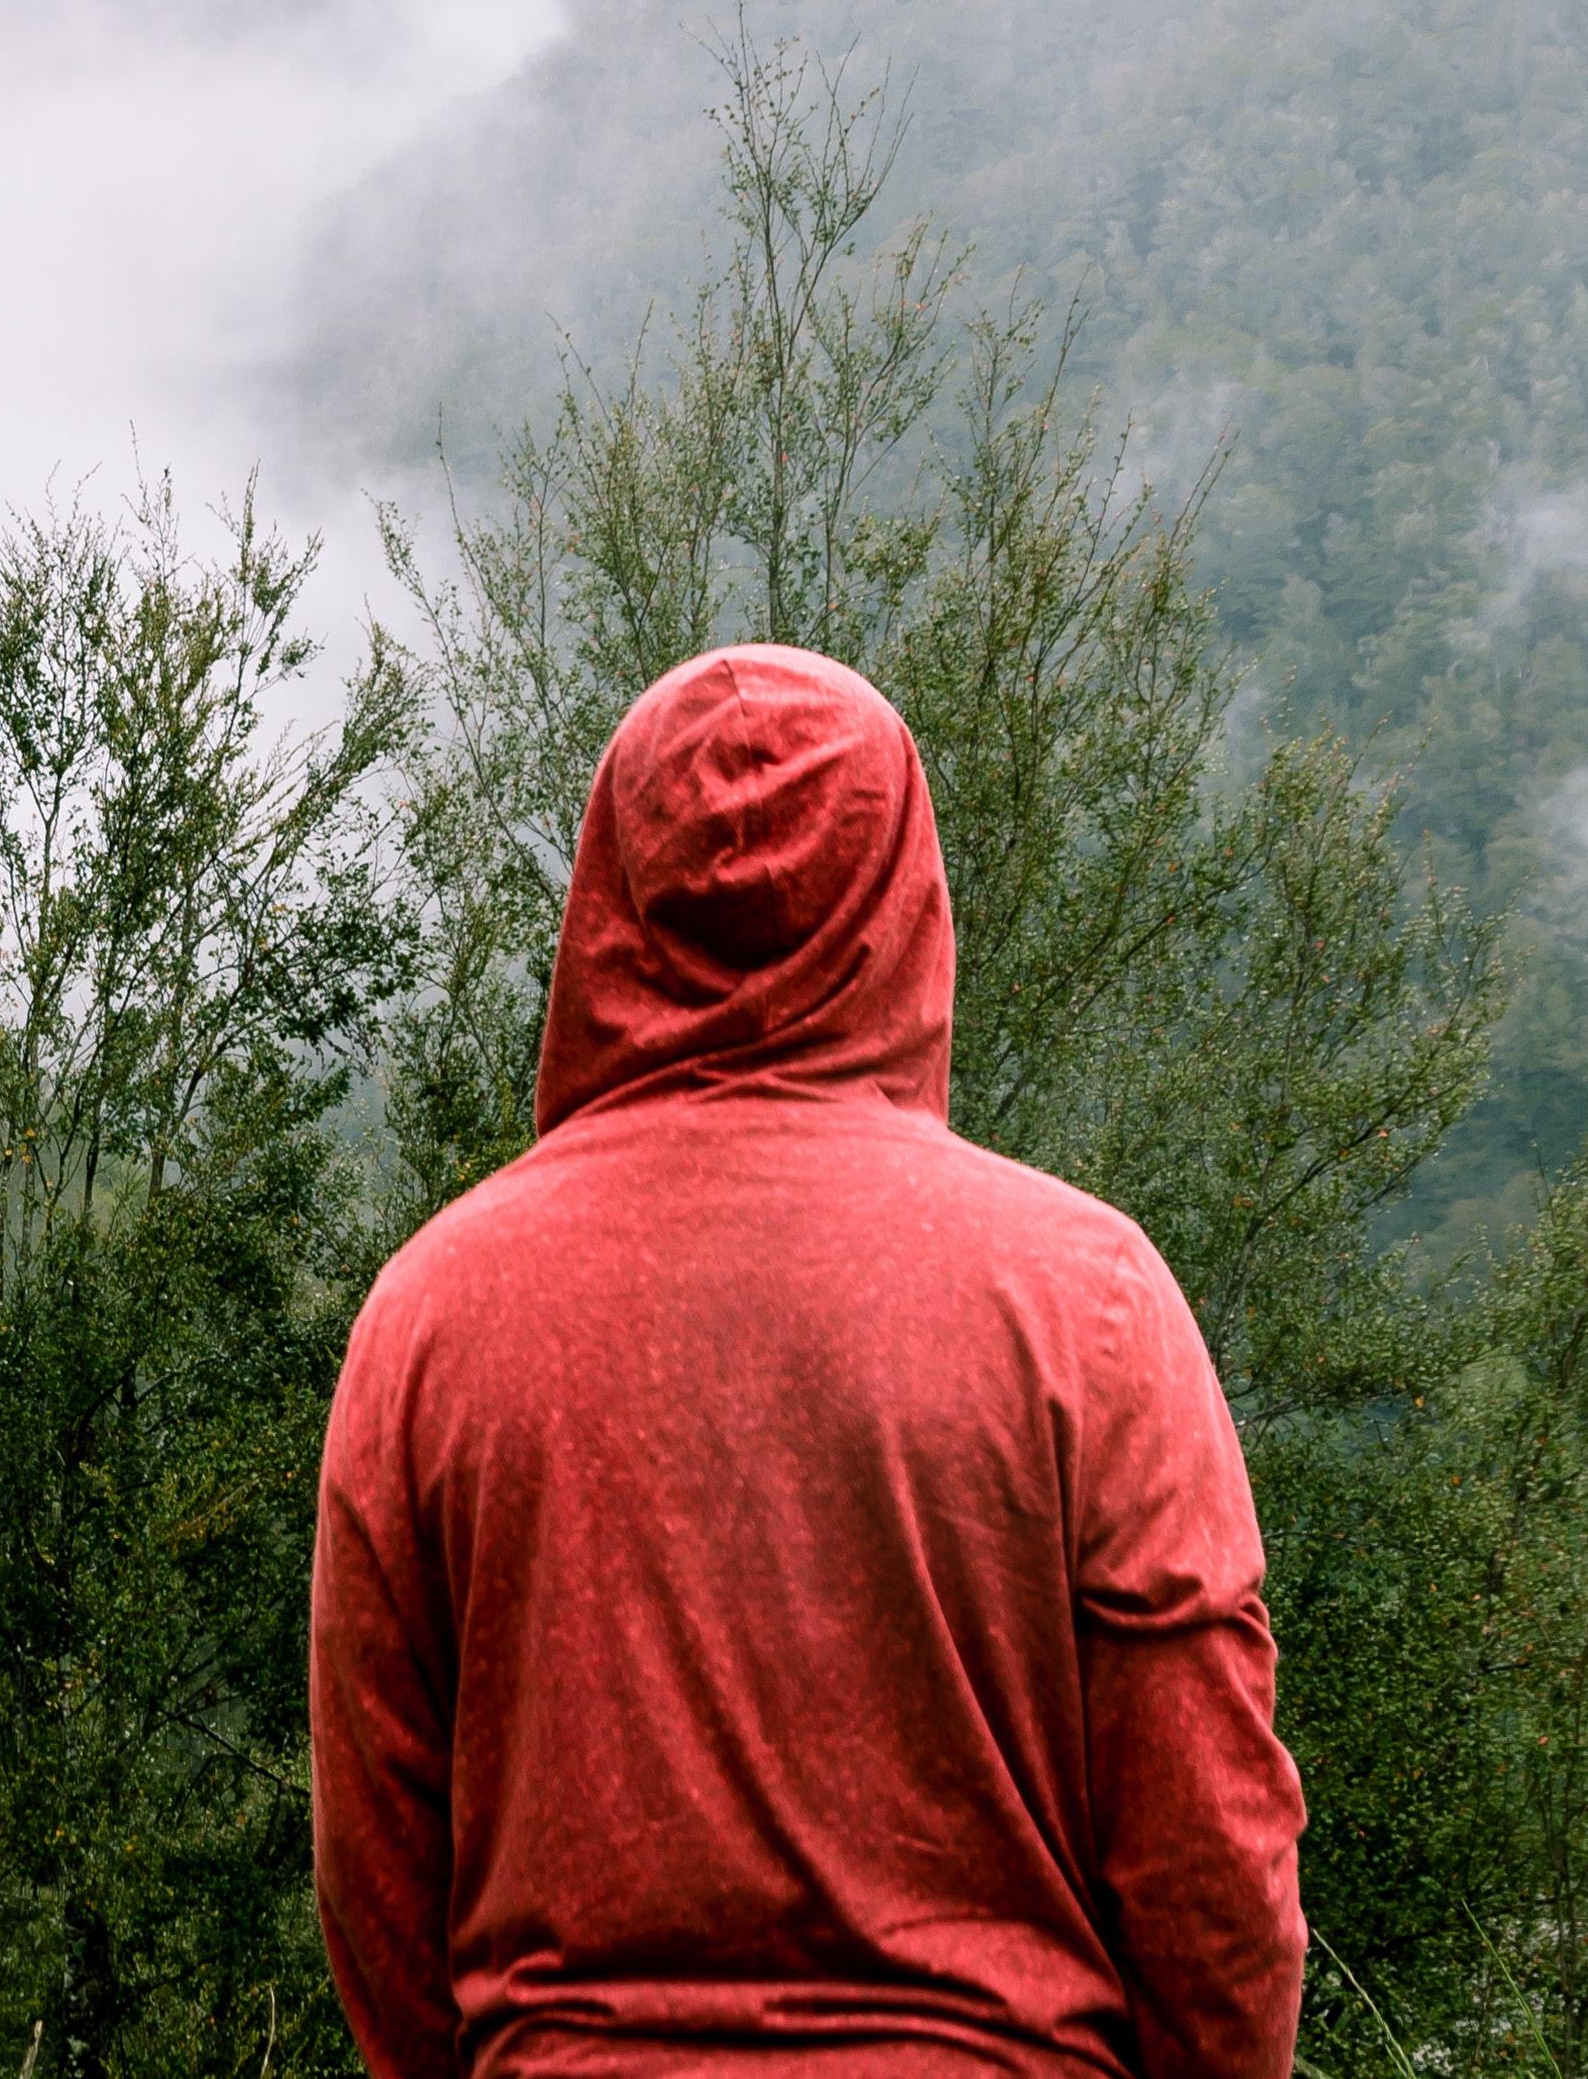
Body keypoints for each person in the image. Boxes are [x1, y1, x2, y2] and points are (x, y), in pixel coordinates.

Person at [310, 643, 1305, 2077]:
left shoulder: (433, 1313)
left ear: (611, 892)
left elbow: (378, 1869)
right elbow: (1207, 1848)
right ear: (900, 896)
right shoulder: (1081, 1297)